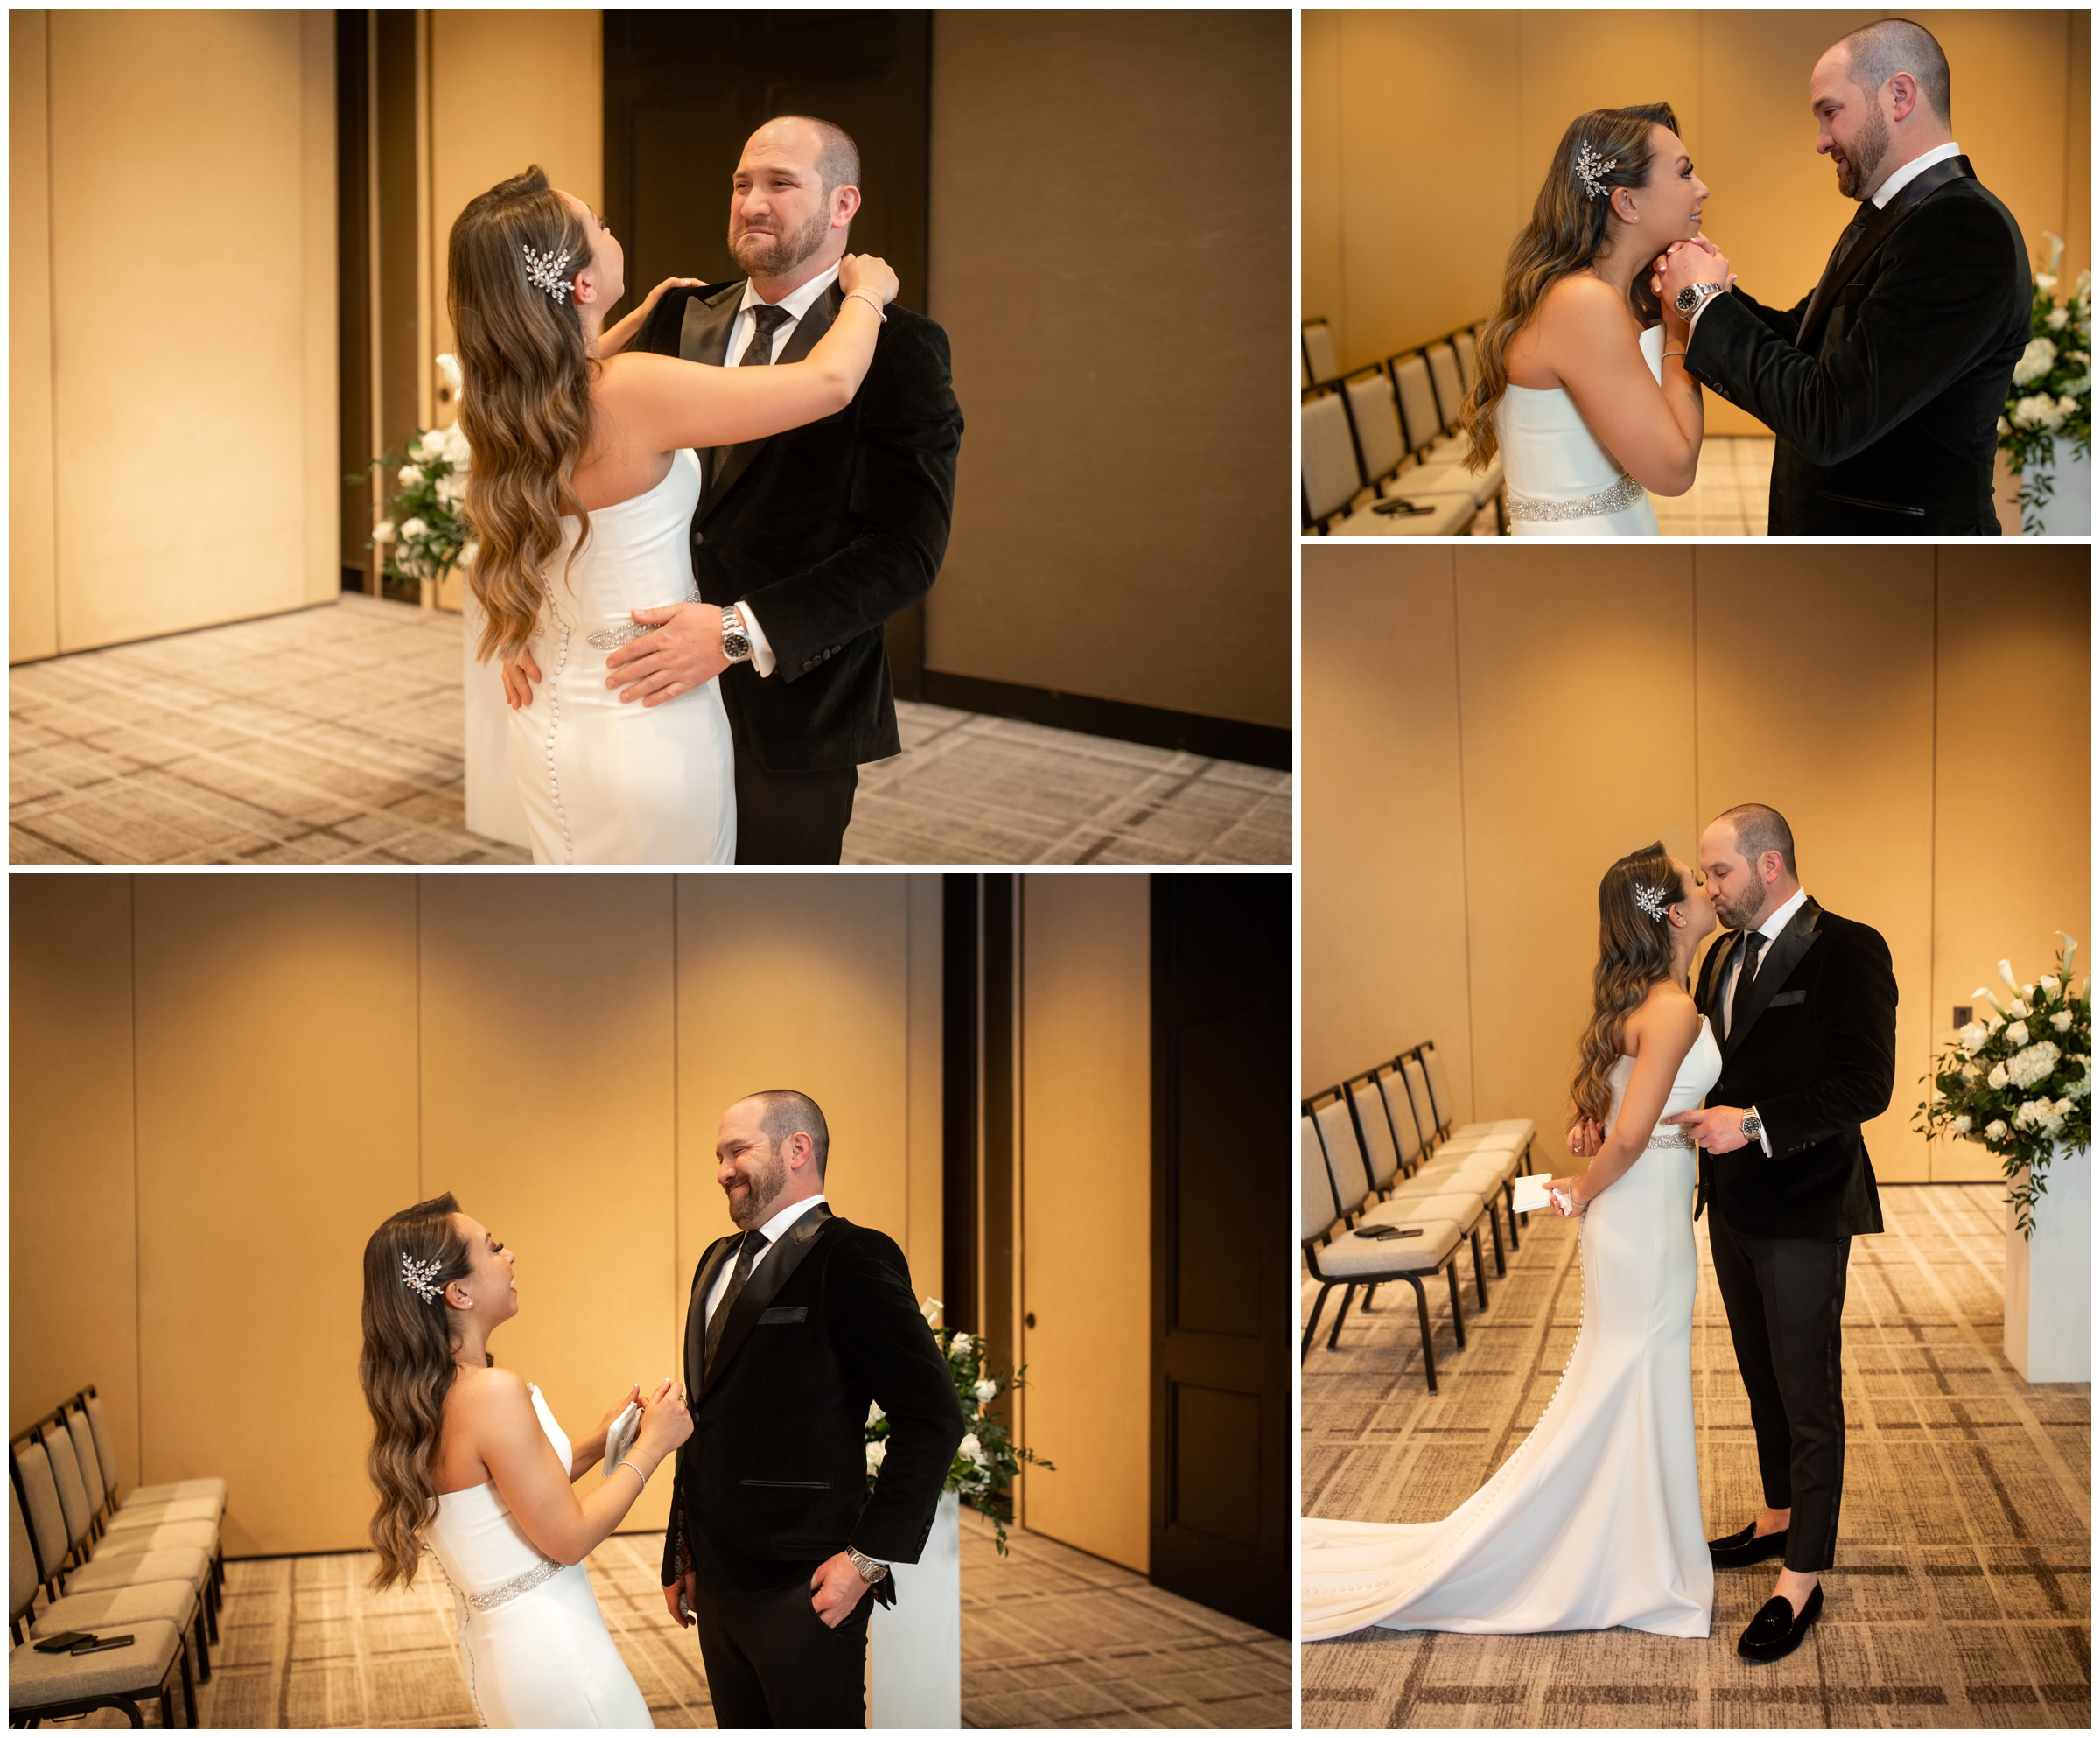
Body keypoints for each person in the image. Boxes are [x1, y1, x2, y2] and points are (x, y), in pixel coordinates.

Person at [1302, 843, 1718, 1639]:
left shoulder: (1656, 998)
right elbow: (1626, 1139)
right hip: (1640, 1208)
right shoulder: (1671, 1008)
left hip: (1640, 1206)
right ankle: (1633, 1557)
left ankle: (1634, 1542)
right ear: (1671, 914)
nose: (1706, 892)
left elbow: (1609, 1118)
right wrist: (1581, 1190)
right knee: (1638, 1365)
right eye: (1694, 885)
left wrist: (1589, 1155)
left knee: (1631, 1367)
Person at [447, 162, 900, 864]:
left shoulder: (512, 405)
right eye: (597, 223)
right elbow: (830, 382)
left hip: (551, 712)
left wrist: (624, 320)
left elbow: (571, 379)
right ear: (582, 285)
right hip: (649, 719)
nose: (609, 227)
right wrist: (869, 296)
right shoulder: (627, 390)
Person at [612, 116, 965, 865]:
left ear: (843, 205)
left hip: (795, 703)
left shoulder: (899, 346)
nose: (752, 203)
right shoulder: (678, 313)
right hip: (653, 686)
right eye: (742, 184)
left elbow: (905, 552)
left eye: (780, 183)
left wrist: (737, 633)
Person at [1662, 805, 1895, 1662]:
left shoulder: (1849, 948)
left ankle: (1802, 1575)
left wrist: (1755, 1122)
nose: (1708, 887)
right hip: (1732, 1204)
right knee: (1759, 1375)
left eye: (1717, 871)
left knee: (1807, 1392)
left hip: (1804, 1203)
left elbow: (1866, 1085)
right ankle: (1776, 1514)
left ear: (1769, 865)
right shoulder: (1723, 954)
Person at [661, 1090, 964, 1727]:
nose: (721, 1170)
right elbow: (705, 1421)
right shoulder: (713, 1262)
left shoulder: (851, 1256)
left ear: (797, 1149)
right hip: (714, 1578)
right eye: (718, 1155)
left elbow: (932, 1419)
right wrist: (681, 1550)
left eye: (737, 1150)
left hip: (806, 1582)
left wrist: (865, 1562)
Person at [1659, 19, 2028, 533]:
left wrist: (1702, 300)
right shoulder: (1902, 217)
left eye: (1830, 113)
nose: (1821, 140)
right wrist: (1701, 289)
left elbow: (1830, 418)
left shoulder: (1962, 229)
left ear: (1899, 96)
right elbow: (1799, 339)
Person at [358, 1193, 693, 1727]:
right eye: (493, 1248)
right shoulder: (491, 1392)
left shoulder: (429, 1395)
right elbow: (568, 1537)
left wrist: (599, 1440)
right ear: (459, 1293)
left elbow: (501, 1498)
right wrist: (654, 1445)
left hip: (502, 1654)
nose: (509, 1257)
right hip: (559, 1653)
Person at [1460, 105, 1713, 535]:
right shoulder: (1583, 302)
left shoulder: (1617, 295)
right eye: (1685, 173)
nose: (1702, 189)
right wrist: (1682, 322)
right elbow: (1674, 469)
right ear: (1627, 202)